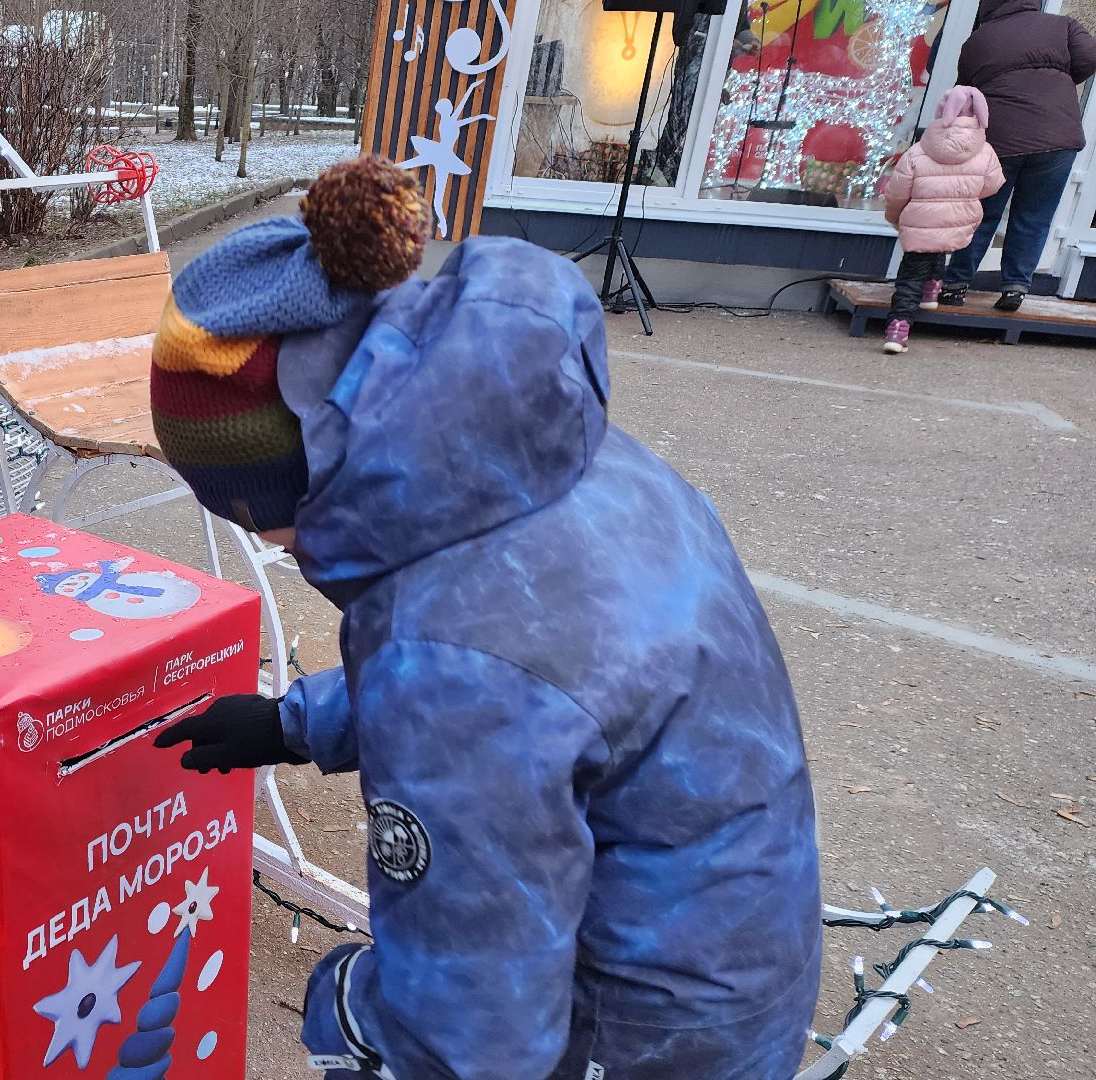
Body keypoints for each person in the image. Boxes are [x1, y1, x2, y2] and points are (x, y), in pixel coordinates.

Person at [149, 157, 822, 1080]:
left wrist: (348, 1008)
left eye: (247, 513)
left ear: (290, 475)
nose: (261, 538)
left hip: (637, 1037)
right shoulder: (546, 460)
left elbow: (474, 1030)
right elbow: (539, 681)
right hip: (732, 960)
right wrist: (291, 723)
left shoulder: (451, 655)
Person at [938, 0, 1096, 312]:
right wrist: (1060, 79)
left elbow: (965, 92)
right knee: (1034, 217)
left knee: (982, 213)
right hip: (1058, 138)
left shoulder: (978, 41)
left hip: (1000, 139)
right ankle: (1014, 288)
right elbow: (1090, 57)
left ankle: (955, 284)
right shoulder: (1062, 26)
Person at [881, 86, 1005, 354]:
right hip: (959, 218)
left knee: (910, 274)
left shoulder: (918, 150)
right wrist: (964, 194)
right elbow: (994, 184)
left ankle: (898, 327)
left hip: (920, 221)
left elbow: (897, 192)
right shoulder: (985, 152)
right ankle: (933, 287)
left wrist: (896, 218)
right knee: (939, 244)